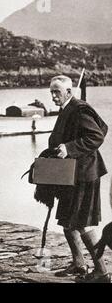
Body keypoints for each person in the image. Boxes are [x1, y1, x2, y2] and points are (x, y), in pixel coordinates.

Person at [48, 75, 110, 283]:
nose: (53, 96)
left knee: (82, 223)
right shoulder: (68, 108)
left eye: (57, 91)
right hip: (70, 173)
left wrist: (71, 148)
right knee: (68, 221)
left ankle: (101, 271)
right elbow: (102, 127)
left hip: (85, 174)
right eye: (51, 92)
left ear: (68, 92)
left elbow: (97, 135)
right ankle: (79, 264)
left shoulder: (79, 108)